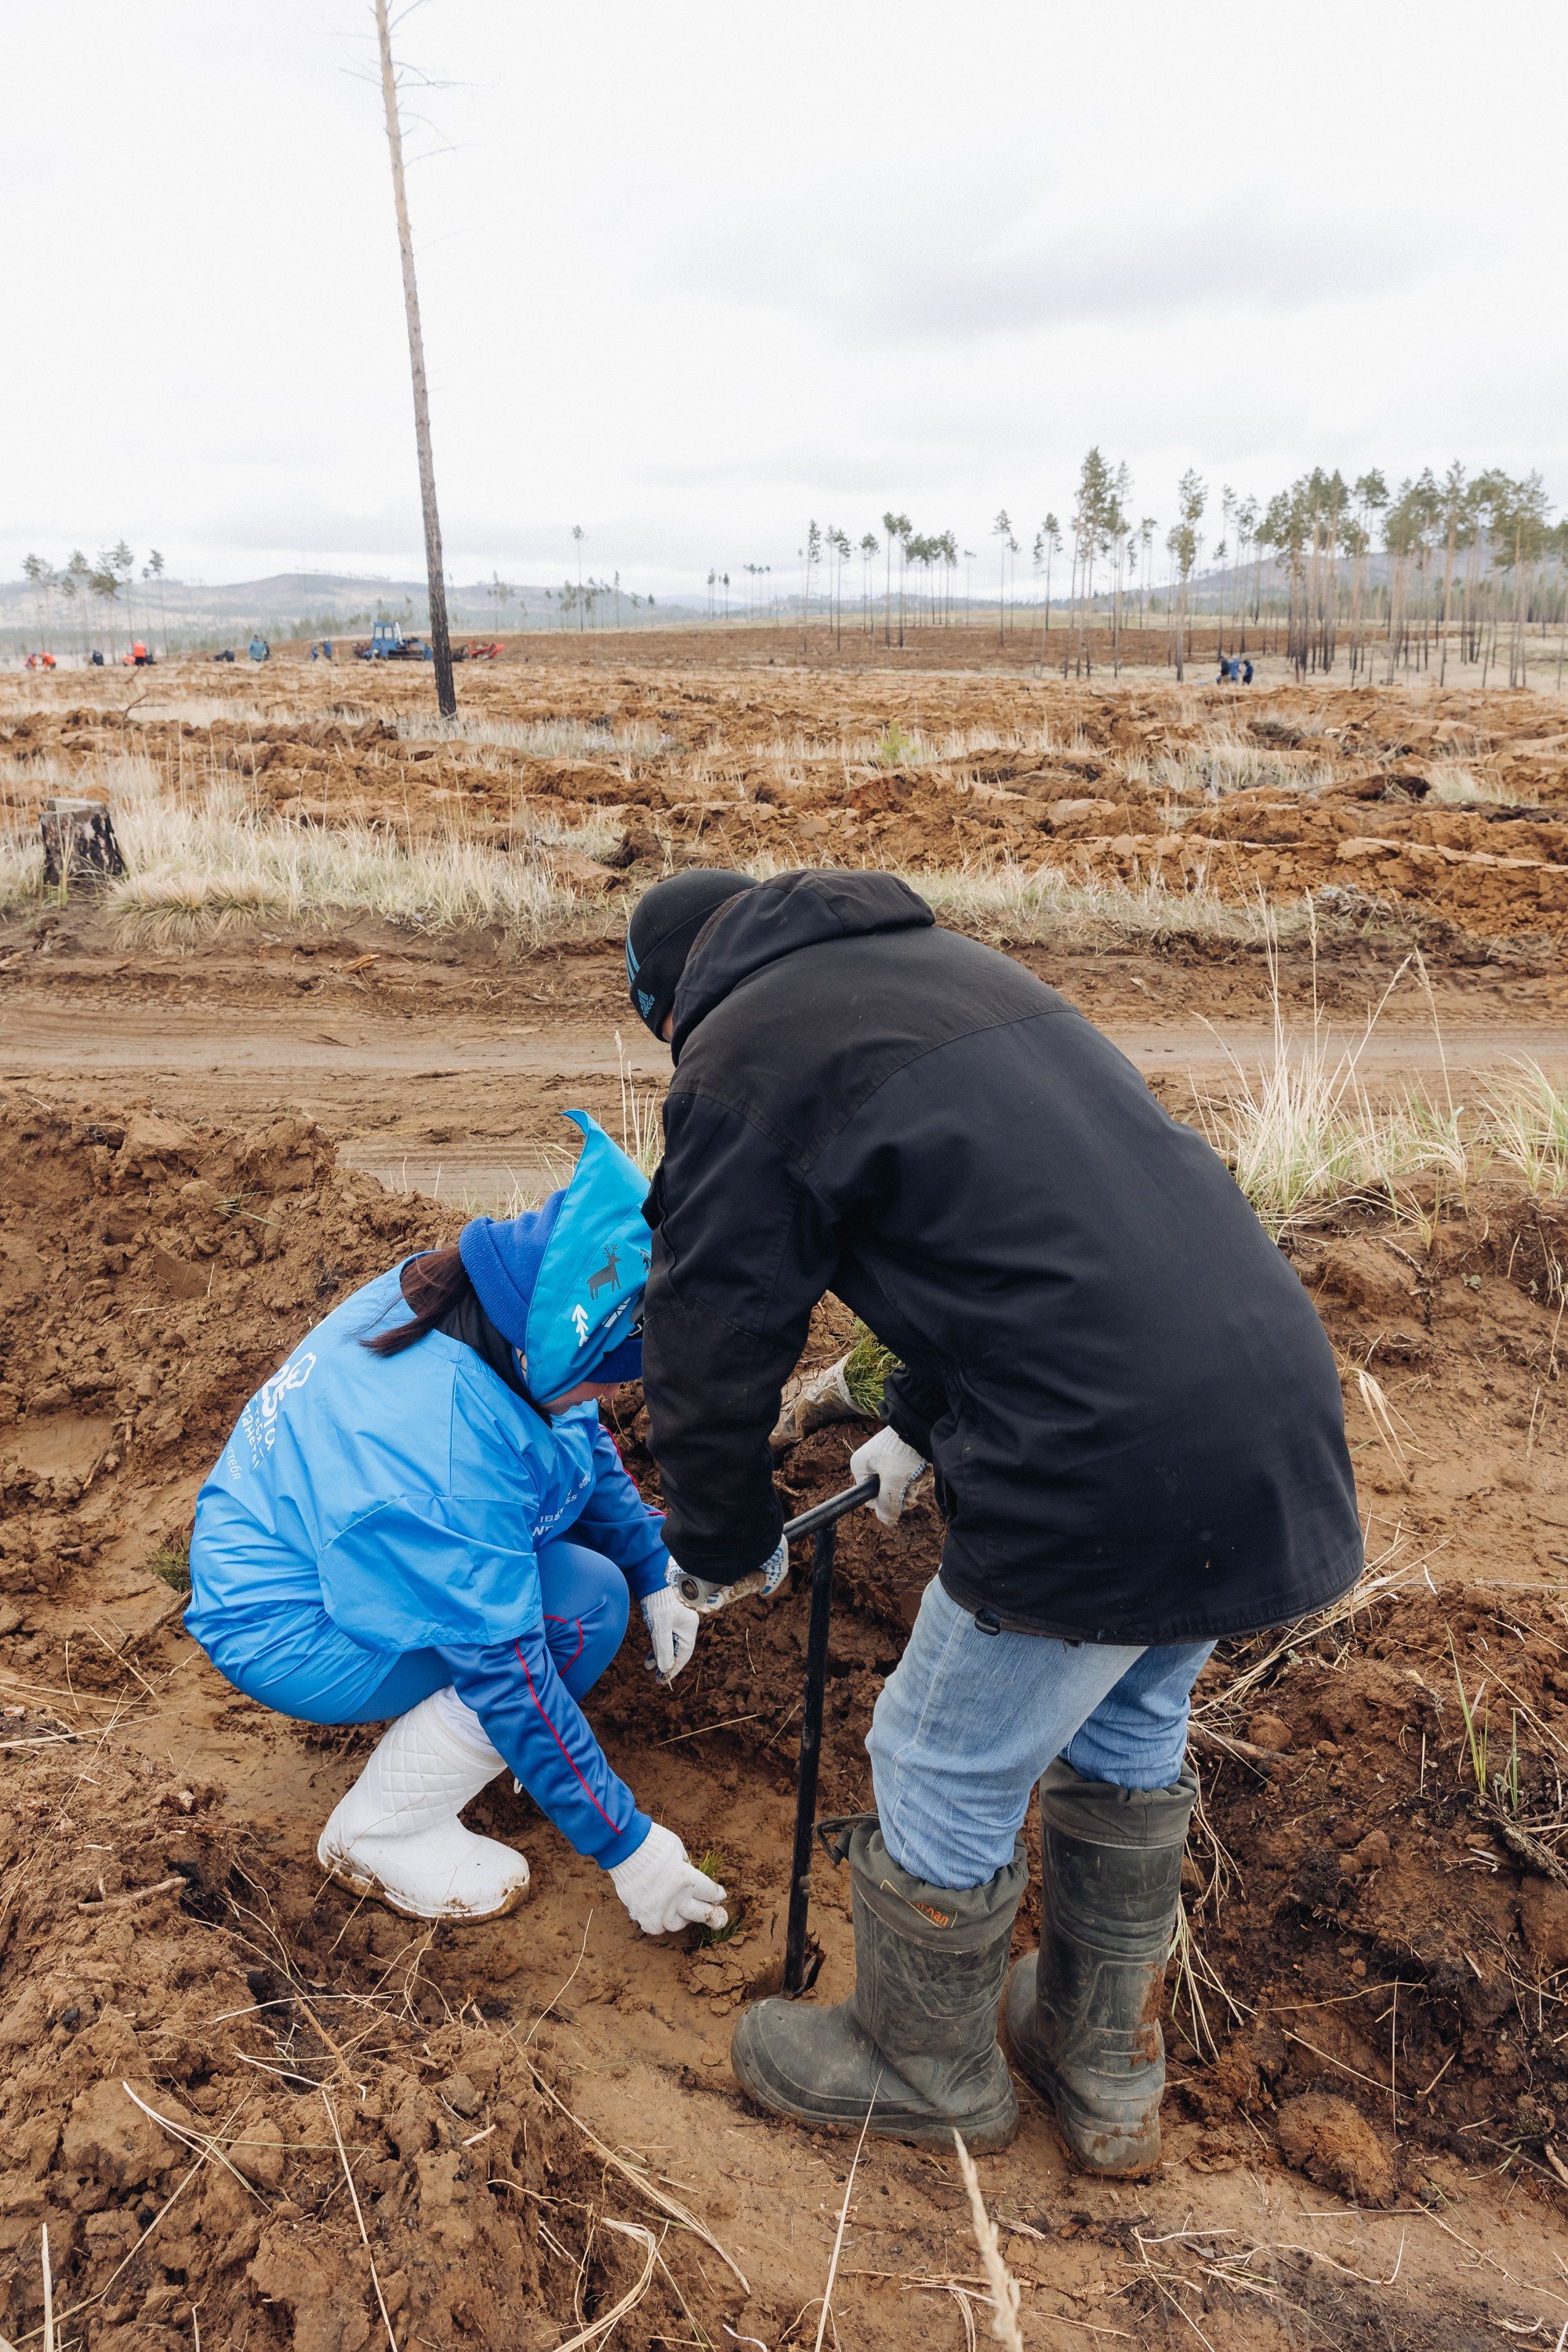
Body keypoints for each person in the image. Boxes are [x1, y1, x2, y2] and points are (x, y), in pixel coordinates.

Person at [625, 868, 1362, 2171]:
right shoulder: (954, 972)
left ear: (669, 1006)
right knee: (1130, 1711)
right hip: (1261, 1409)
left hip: (1102, 1453)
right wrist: (921, 1413)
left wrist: (718, 1537)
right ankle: (1100, 2054)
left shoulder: (738, 1056)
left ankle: (925, 2063)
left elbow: (711, 1330)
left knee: (935, 1752)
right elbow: (1016, 1237)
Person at [186, 1112, 726, 1937]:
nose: (613, 1397)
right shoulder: (442, 1463)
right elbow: (508, 1676)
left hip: (287, 1534)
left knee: (589, 1574)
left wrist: (653, 1562)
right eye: (608, 1378)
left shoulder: (480, 1307)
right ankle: (379, 1833)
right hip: (283, 1623)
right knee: (578, 1612)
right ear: (560, 1353)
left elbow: (571, 1427)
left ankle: (441, 1766)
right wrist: (627, 1847)